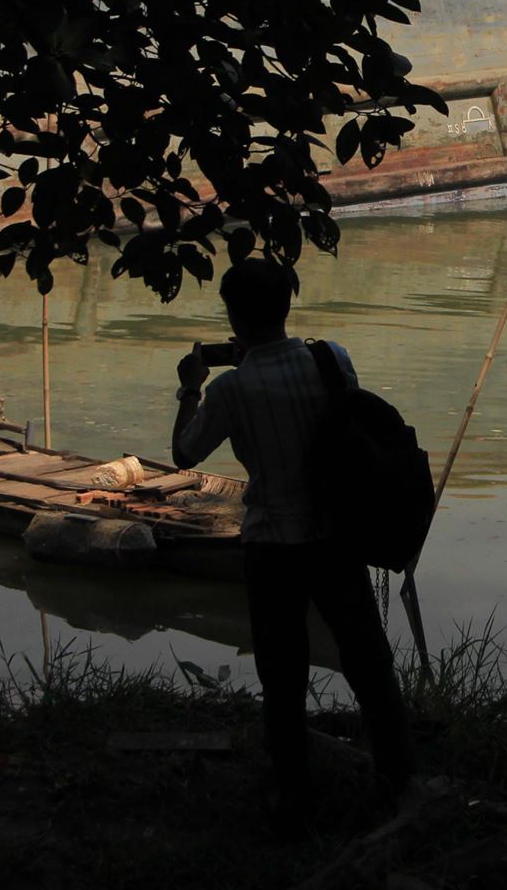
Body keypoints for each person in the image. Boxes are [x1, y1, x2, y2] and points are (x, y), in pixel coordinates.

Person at [170, 256, 414, 817]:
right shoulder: (333, 360)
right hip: (336, 534)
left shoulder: (231, 389)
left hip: (272, 545)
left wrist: (190, 390)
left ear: (233, 314)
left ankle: (293, 791)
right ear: (286, 306)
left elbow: (185, 452)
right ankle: (397, 778)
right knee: (368, 662)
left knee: (282, 672)